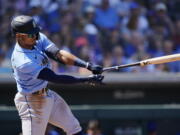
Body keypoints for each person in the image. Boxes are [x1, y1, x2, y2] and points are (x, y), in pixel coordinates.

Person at [11, 15, 104, 135]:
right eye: (30, 34)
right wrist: (85, 80)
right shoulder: (22, 60)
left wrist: (87, 65)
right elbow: (55, 78)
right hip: (31, 102)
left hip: (46, 94)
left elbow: (59, 55)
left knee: (74, 128)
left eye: (35, 33)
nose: (35, 36)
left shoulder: (37, 38)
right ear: (19, 36)